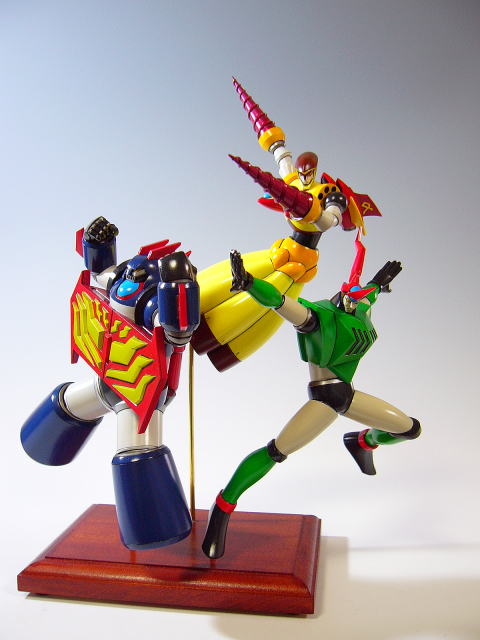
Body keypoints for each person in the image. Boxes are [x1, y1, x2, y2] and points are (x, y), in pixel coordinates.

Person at [202, 237, 421, 559]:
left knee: (409, 429)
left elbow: (368, 294)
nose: (353, 301)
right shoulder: (315, 319)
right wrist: (249, 284)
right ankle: (222, 509)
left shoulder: (360, 307)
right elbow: (279, 301)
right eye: (348, 297)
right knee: (275, 452)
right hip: (323, 400)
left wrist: (378, 283)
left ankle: (363, 442)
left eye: (356, 299)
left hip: (348, 395)